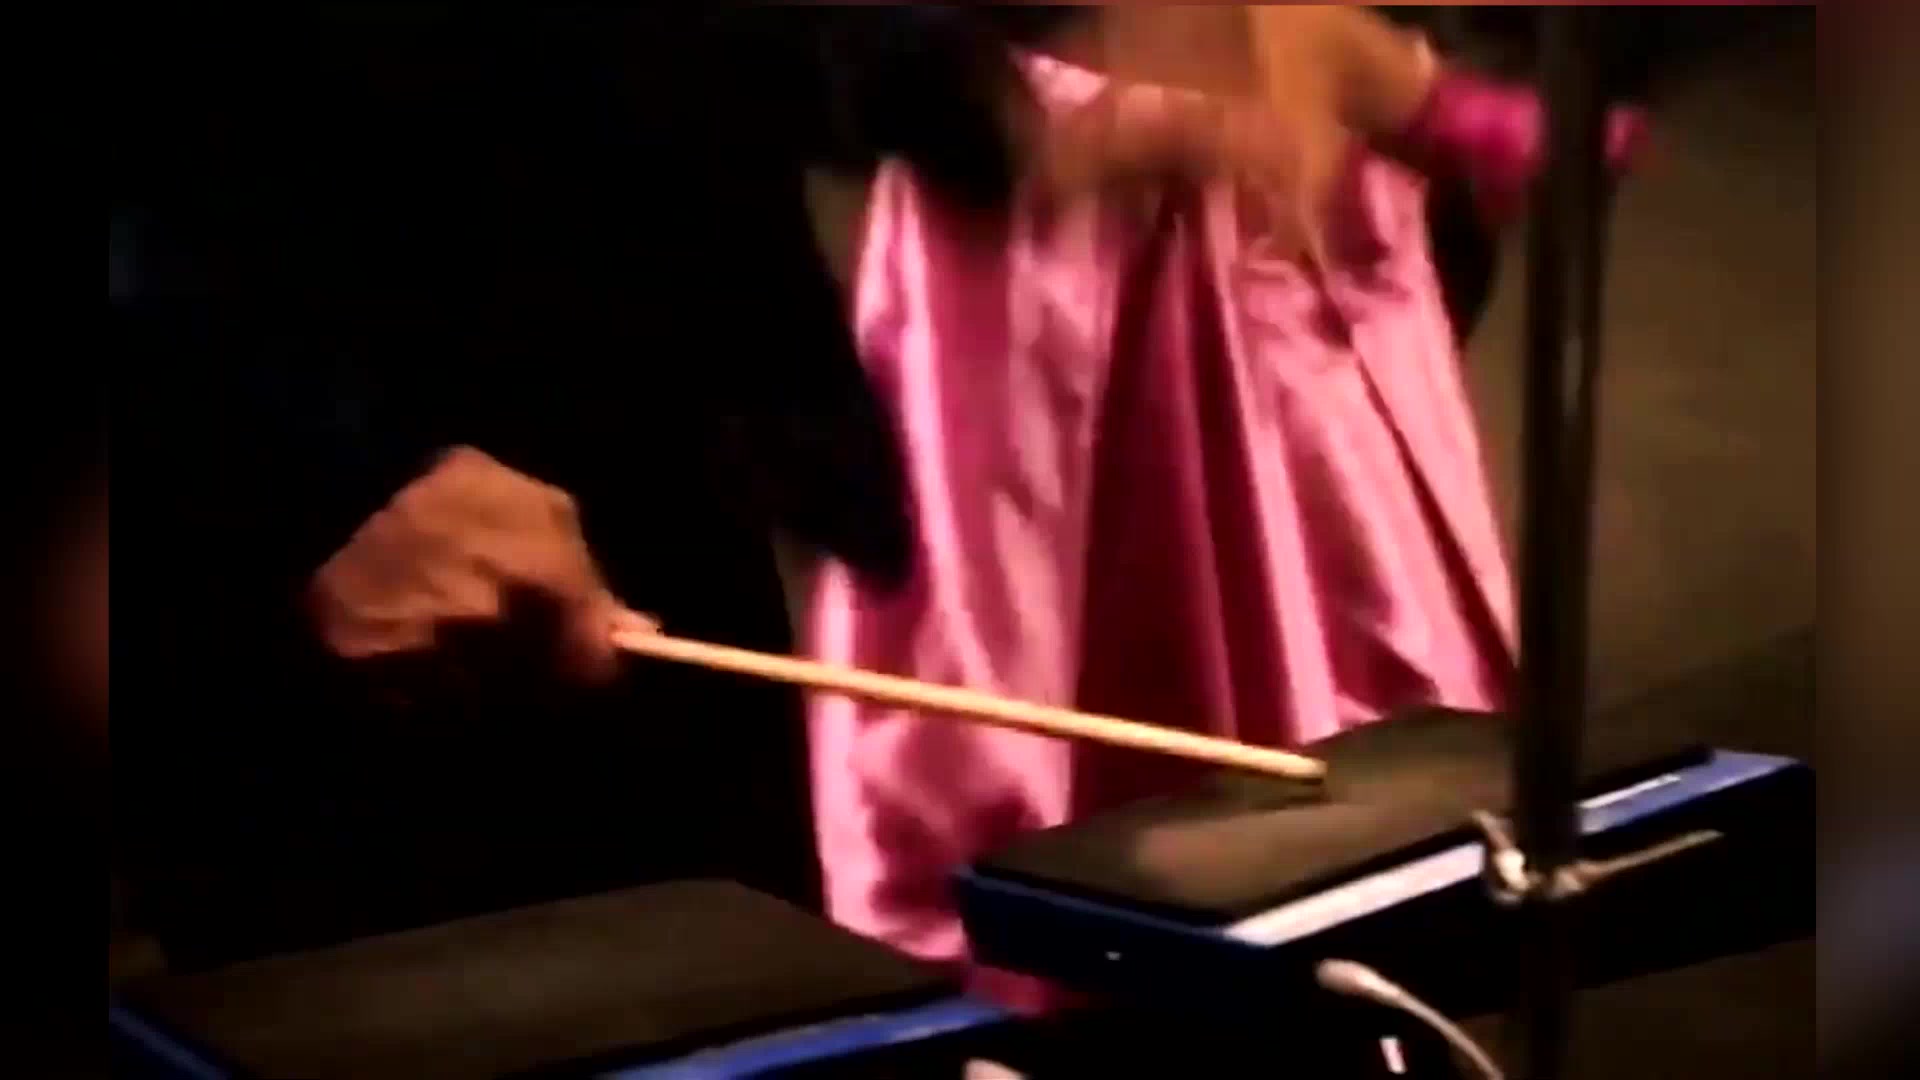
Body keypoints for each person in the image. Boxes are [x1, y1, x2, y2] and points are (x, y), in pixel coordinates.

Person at [108, 7, 1024, 970]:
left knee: (744, 983)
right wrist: (332, 473)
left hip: (662, 485)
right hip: (320, 528)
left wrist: (927, 68)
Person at [800, 7, 1648, 1004]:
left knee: (1320, 599)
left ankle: (1331, 902)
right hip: (1055, 206)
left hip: (1240, 200)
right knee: (1063, 624)